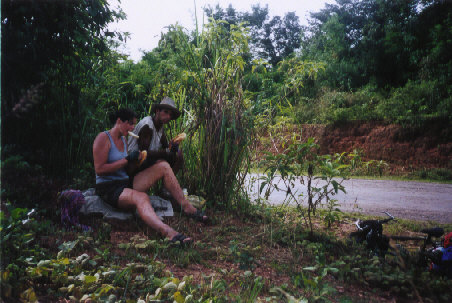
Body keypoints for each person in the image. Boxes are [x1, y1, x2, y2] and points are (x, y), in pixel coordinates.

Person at [92, 108, 206, 246]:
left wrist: (136, 161)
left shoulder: (123, 139)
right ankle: (169, 234)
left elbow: (127, 169)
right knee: (142, 197)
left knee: (163, 166)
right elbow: (100, 170)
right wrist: (127, 160)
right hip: (109, 188)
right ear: (119, 121)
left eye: (134, 124)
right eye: (130, 124)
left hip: (125, 182)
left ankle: (187, 207)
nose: (133, 128)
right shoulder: (103, 138)